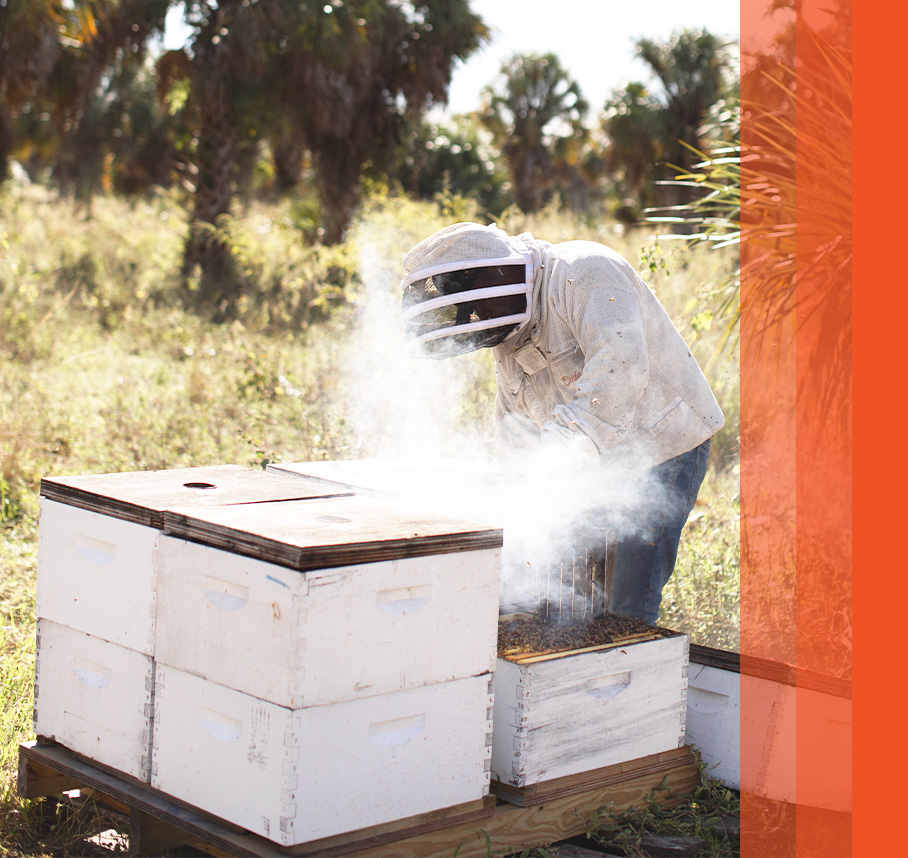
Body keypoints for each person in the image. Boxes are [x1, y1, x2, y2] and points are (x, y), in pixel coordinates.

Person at [400, 222, 724, 624]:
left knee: (627, 599)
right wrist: (513, 500)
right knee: (574, 591)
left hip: (661, 444)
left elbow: (621, 368)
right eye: (468, 311)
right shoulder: (510, 336)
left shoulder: (585, 270)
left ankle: (627, 669)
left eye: (477, 303)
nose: (478, 315)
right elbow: (514, 424)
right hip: (592, 457)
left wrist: (553, 463)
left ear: (498, 273)